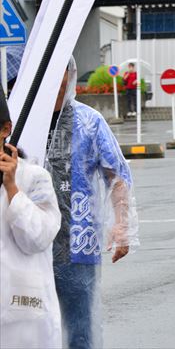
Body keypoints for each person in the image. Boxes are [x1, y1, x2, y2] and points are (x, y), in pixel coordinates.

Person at [46, 58, 138, 348]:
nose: (53, 77)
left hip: (78, 238)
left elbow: (117, 175)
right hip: (28, 237)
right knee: (29, 320)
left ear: (70, 74)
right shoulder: (22, 120)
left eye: (58, 69)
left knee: (80, 326)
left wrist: (122, 228)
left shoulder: (89, 120)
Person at [0, 88, 63, 349]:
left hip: (23, 316)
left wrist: (13, 188)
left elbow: (37, 239)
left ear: (5, 129)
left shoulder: (34, 178)